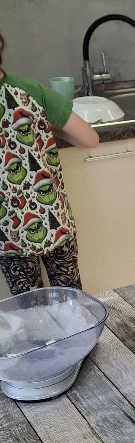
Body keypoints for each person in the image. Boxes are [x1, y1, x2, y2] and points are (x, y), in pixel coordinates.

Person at [0, 32, 99, 295]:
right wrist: (44, 127)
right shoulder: (30, 90)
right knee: (72, 303)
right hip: (54, 220)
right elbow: (90, 139)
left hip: (8, 234)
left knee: (30, 309)